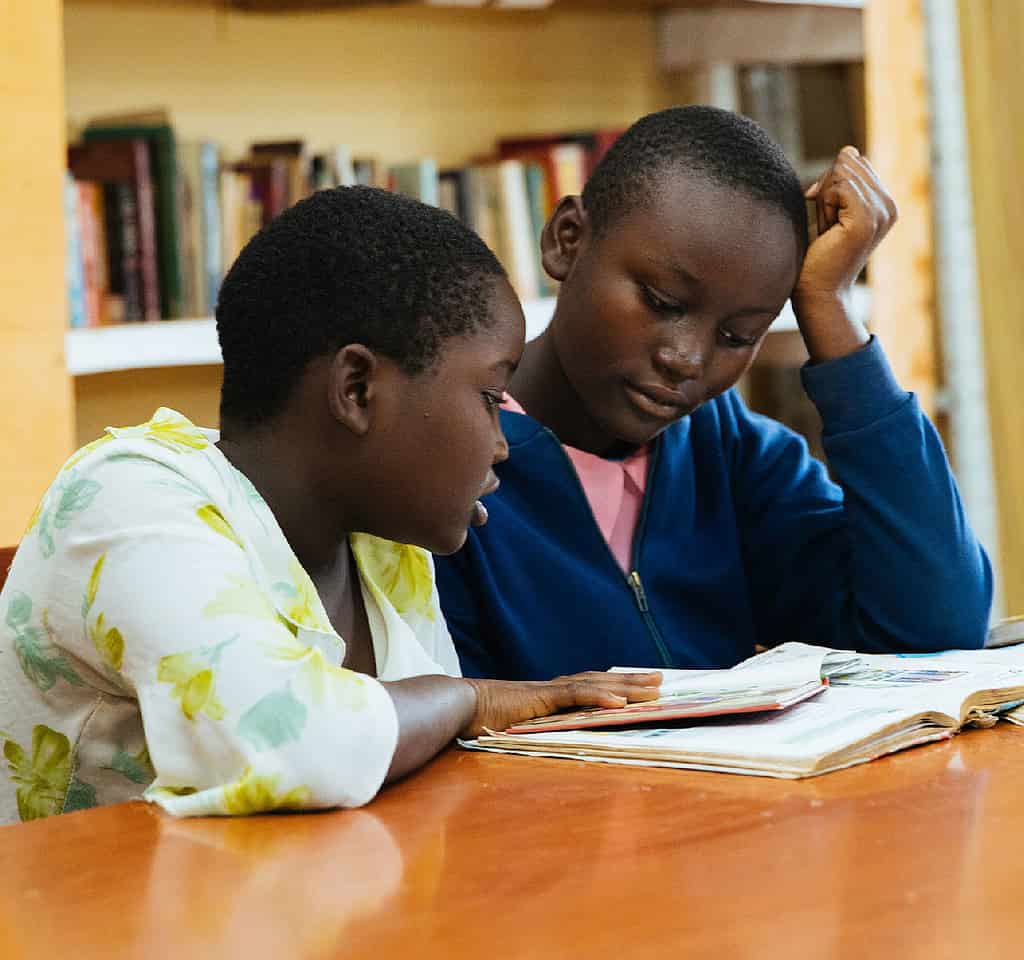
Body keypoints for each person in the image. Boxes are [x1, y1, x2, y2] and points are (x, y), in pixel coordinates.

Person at [0, 187, 660, 825]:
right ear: (357, 389)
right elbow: (295, 748)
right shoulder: (130, 497)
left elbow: (423, 783)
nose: (501, 446)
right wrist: (468, 698)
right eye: (491, 398)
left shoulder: (384, 547)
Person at [434, 106, 993, 680]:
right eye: (662, 301)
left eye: (737, 335)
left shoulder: (730, 453)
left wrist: (830, 310)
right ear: (567, 240)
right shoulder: (438, 476)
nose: (687, 359)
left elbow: (936, 629)